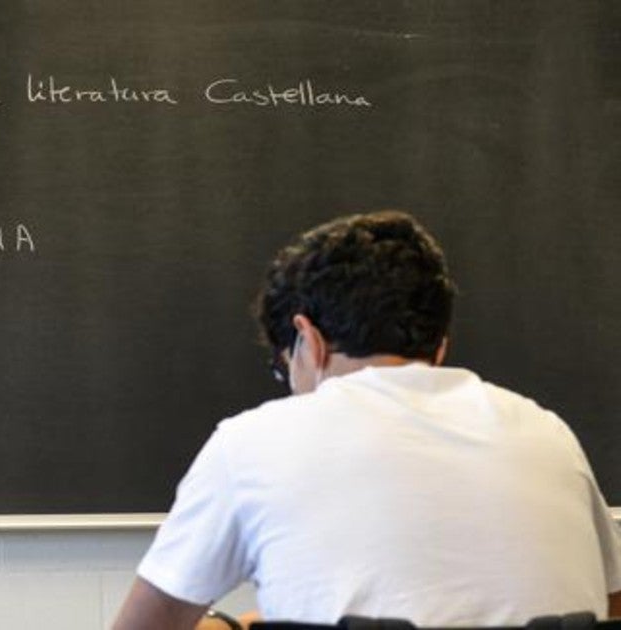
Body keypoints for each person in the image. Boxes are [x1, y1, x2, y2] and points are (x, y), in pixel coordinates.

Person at [113, 210, 621, 630]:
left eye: (283, 366)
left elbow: (145, 627)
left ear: (307, 341)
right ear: (439, 348)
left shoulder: (248, 443)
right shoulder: (548, 433)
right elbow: (611, 601)